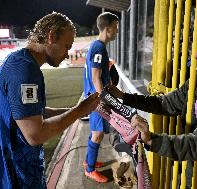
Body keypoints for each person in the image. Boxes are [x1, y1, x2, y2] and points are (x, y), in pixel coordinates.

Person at [107, 18, 197, 189]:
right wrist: (124, 96)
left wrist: (151, 139)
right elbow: (166, 103)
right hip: (193, 173)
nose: (196, 54)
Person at [0, 12, 100, 189]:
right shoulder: (24, 70)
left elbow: (35, 114)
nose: (67, 54)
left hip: (17, 176)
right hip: (13, 179)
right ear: (52, 36)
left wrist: (80, 110)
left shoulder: (21, 63)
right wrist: (78, 110)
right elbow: (35, 134)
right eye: (66, 46)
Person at [83, 12, 119, 183]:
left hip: (93, 97)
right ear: (108, 28)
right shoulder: (98, 47)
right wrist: (103, 100)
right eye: (116, 28)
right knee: (97, 134)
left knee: (95, 133)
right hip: (97, 99)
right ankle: (90, 170)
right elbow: (95, 76)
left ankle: (88, 161)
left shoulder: (96, 46)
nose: (117, 31)